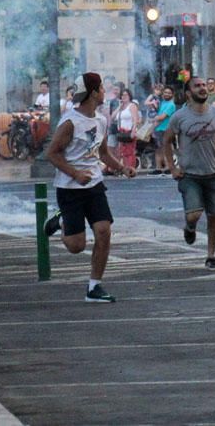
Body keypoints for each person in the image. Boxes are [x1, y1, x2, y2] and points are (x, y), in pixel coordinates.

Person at [44, 72, 136, 302]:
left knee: (103, 231)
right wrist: (75, 173)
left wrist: (122, 168)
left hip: (94, 184)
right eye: (102, 88)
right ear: (93, 92)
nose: (105, 92)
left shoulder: (101, 119)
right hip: (70, 188)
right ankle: (61, 220)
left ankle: (94, 287)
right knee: (76, 246)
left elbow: (103, 152)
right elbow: (52, 154)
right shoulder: (69, 122)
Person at [164, 77, 215, 271]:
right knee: (194, 215)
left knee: (214, 215)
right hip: (189, 175)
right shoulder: (180, 117)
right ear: (188, 93)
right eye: (197, 86)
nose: (203, 88)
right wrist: (172, 167)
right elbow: (167, 141)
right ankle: (190, 226)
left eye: (204, 85)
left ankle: (211, 256)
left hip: (213, 172)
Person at [112, 88, 140, 170]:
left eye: (125, 95)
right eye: (122, 95)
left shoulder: (132, 106)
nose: (123, 97)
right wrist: (119, 107)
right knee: (123, 152)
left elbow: (135, 120)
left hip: (129, 131)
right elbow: (113, 117)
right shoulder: (121, 107)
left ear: (129, 96)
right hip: (121, 132)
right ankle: (125, 168)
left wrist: (133, 131)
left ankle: (130, 168)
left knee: (129, 151)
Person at [152, 86, 176, 174]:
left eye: (169, 93)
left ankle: (168, 167)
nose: (166, 94)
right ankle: (158, 168)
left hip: (166, 129)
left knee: (167, 148)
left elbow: (162, 117)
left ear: (172, 95)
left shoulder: (171, 105)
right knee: (158, 149)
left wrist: (153, 119)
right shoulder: (162, 103)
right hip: (158, 128)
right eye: (165, 92)